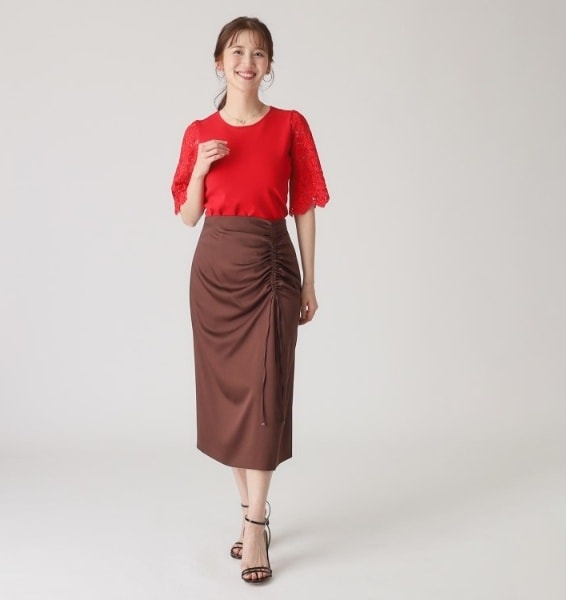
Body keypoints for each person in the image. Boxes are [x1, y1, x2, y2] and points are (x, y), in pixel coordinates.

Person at [170, 16, 329, 583]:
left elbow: (303, 203)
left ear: (269, 66)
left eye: (258, 53)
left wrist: (309, 281)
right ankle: (248, 512)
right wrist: (200, 168)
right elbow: (188, 216)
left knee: (265, 395)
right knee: (230, 403)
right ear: (220, 62)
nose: (247, 62)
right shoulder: (198, 132)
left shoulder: (290, 125)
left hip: (269, 269)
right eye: (237, 52)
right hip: (215, 275)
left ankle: (256, 525)